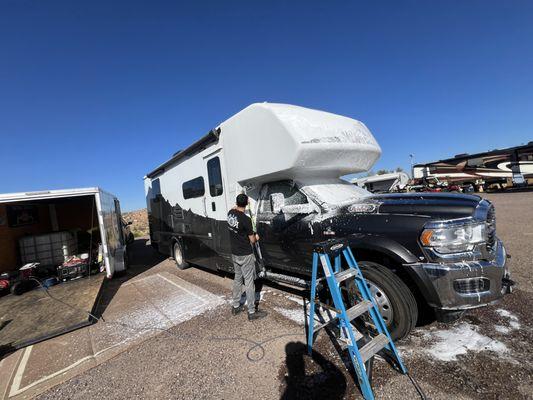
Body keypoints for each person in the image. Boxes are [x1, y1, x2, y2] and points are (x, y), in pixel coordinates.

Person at [228, 193, 267, 321]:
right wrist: (256, 237)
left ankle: (235, 306)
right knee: (249, 282)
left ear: (237, 202)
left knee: (237, 279)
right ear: (246, 204)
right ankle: (251, 312)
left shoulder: (230, 213)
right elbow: (252, 240)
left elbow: (235, 208)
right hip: (245, 254)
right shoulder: (246, 219)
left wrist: (242, 204)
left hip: (235, 253)